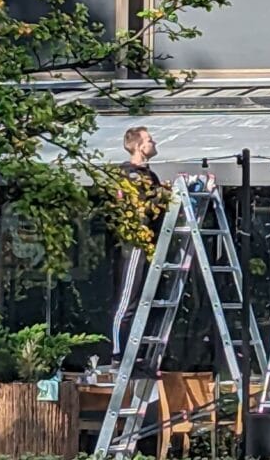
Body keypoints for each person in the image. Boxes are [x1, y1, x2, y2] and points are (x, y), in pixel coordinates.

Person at [112, 126, 164, 376]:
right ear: (138, 146)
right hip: (135, 244)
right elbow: (140, 209)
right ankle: (119, 354)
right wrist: (162, 195)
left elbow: (155, 205)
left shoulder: (150, 176)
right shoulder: (128, 174)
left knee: (147, 299)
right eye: (149, 140)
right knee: (128, 301)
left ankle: (138, 354)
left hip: (151, 243)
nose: (154, 143)